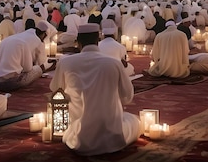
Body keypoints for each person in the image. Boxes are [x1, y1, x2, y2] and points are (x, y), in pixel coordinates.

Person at [49, 24, 140, 156]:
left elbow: (55, 89)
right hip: (112, 137)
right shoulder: (113, 63)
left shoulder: (66, 62)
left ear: (78, 42)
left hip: (79, 136)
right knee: (134, 120)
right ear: (98, 40)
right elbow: (127, 97)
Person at [0, 21, 54, 92]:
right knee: (38, 69)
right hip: (10, 83)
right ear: (44, 34)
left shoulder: (7, 40)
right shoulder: (25, 43)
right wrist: (43, 68)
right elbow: (28, 69)